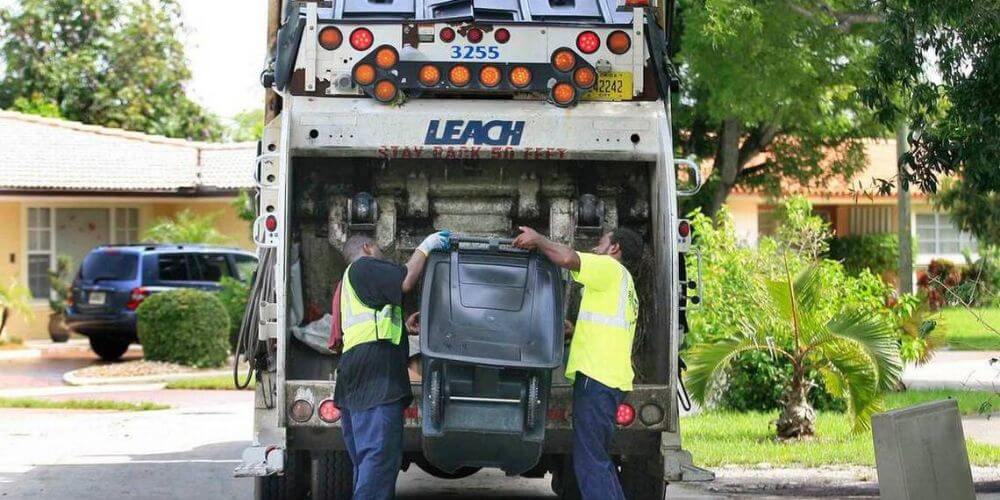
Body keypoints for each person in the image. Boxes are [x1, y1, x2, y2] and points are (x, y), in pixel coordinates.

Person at [513, 226, 643, 500]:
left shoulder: (609, 268)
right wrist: (576, 330)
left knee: (590, 463)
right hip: (607, 379)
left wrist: (539, 240)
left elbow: (568, 258)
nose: (596, 247)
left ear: (614, 248)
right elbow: (607, 326)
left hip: (598, 379)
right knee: (597, 459)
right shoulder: (625, 283)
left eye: (601, 242)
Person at [333, 230, 450, 500]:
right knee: (378, 462)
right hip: (375, 382)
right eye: (380, 250)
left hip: (356, 380)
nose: (382, 257)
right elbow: (406, 280)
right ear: (368, 247)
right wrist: (427, 244)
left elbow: (374, 322)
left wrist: (404, 324)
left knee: (368, 466)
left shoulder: (350, 283)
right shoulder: (364, 266)